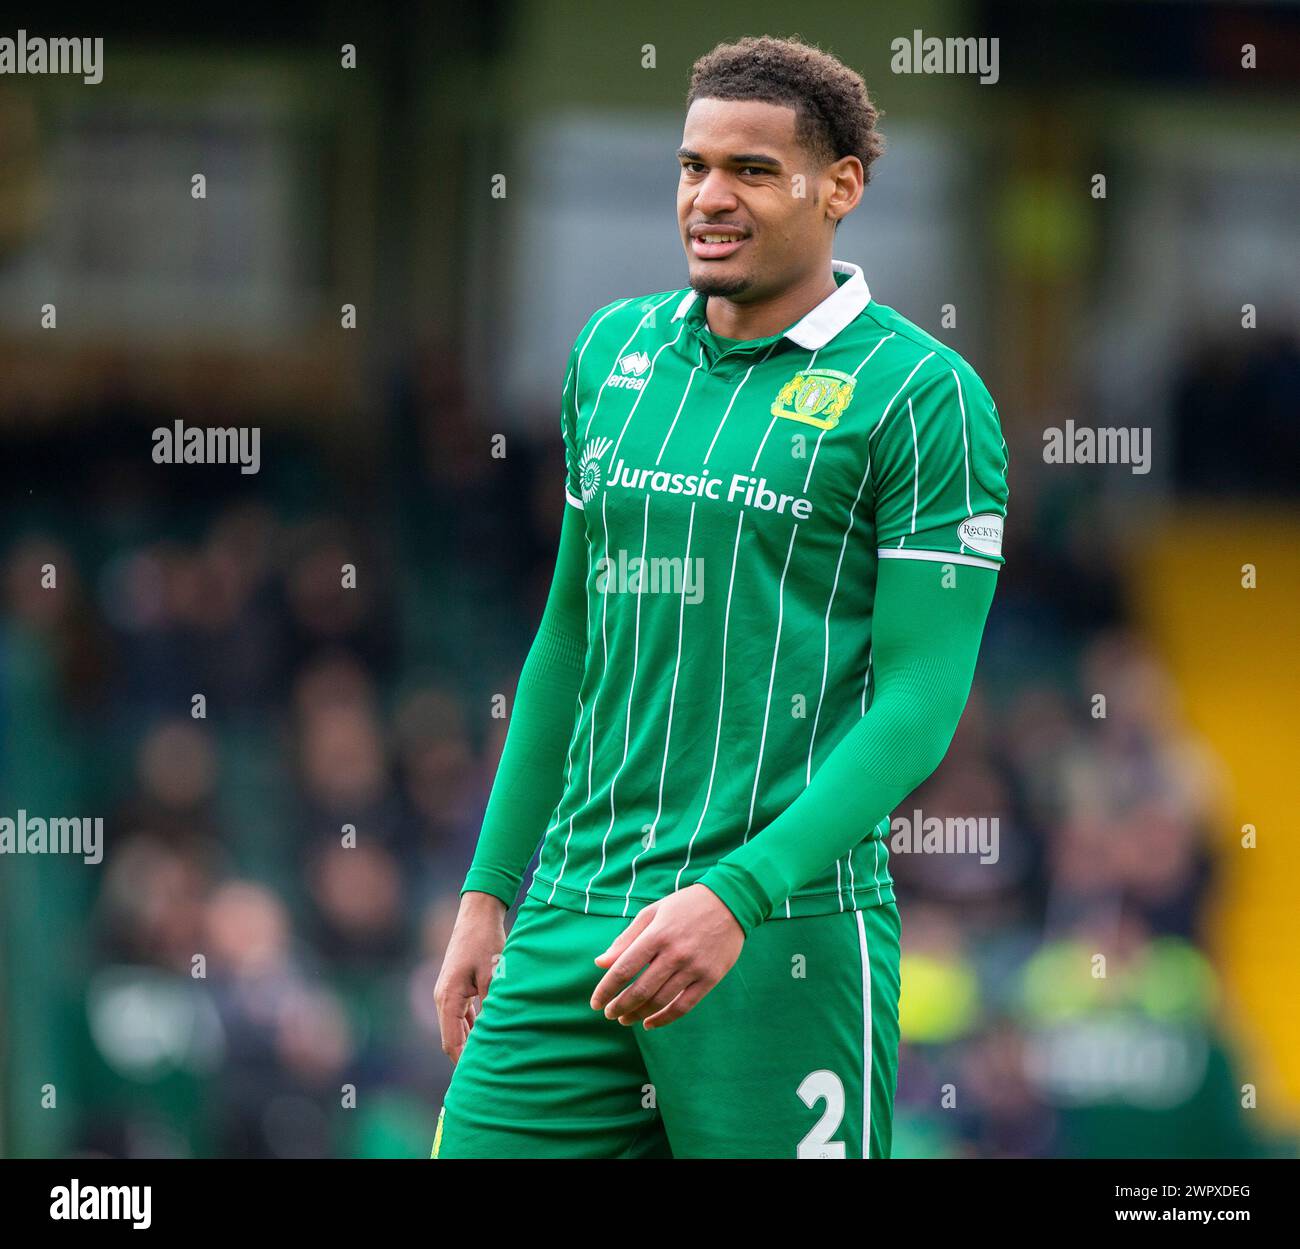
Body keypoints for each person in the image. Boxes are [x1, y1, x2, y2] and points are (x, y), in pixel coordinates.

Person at [433, 34, 1008, 1159]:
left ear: (839, 184)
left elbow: (919, 702)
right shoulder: (613, 352)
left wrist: (737, 895)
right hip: (572, 918)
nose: (709, 196)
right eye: (694, 166)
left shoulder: (921, 397)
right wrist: (489, 891)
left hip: (780, 935)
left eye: (751, 169)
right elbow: (567, 638)